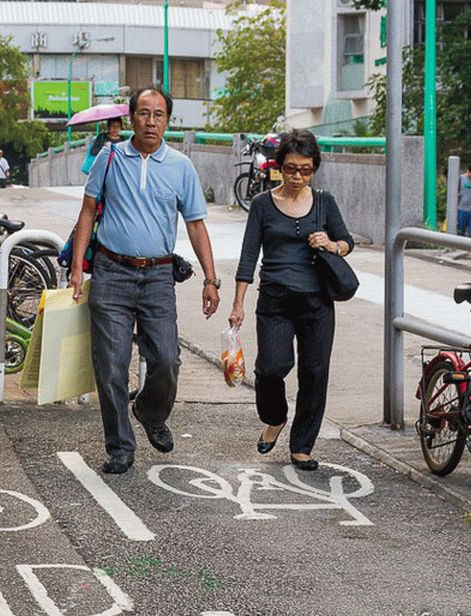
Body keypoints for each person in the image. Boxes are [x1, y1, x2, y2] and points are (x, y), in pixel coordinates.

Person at [69, 87, 220, 475]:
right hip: (111, 272)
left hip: (157, 276)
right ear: (131, 117)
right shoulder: (111, 157)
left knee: (167, 359)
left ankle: (151, 412)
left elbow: (196, 224)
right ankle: (120, 446)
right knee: (112, 366)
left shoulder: (181, 166)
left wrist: (211, 279)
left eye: (158, 115)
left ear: (167, 120)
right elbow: (87, 212)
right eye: (143, 113)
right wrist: (75, 267)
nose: (150, 121)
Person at [228, 129, 354, 472]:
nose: (298, 176)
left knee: (314, 373)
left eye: (306, 169)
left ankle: (302, 446)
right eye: (291, 168)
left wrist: (331, 245)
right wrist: (237, 304)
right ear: (279, 166)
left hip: (317, 302)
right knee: (271, 368)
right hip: (274, 300)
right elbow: (248, 257)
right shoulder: (262, 205)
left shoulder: (325, 202)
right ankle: (275, 417)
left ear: (314, 168)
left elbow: (347, 242)